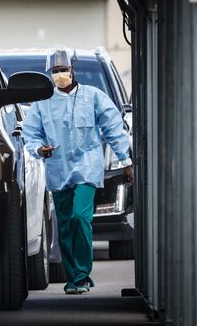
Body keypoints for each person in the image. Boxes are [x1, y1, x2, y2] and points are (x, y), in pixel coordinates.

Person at [22, 47, 134, 295]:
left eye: (63, 69)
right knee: (63, 226)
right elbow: (30, 135)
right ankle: (74, 278)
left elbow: (114, 128)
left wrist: (125, 160)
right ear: (50, 73)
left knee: (80, 218)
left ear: (73, 70)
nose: (60, 74)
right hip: (58, 169)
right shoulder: (42, 105)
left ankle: (82, 274)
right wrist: (40, 149)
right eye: (55, 71)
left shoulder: (93, 97)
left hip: (87, 167)